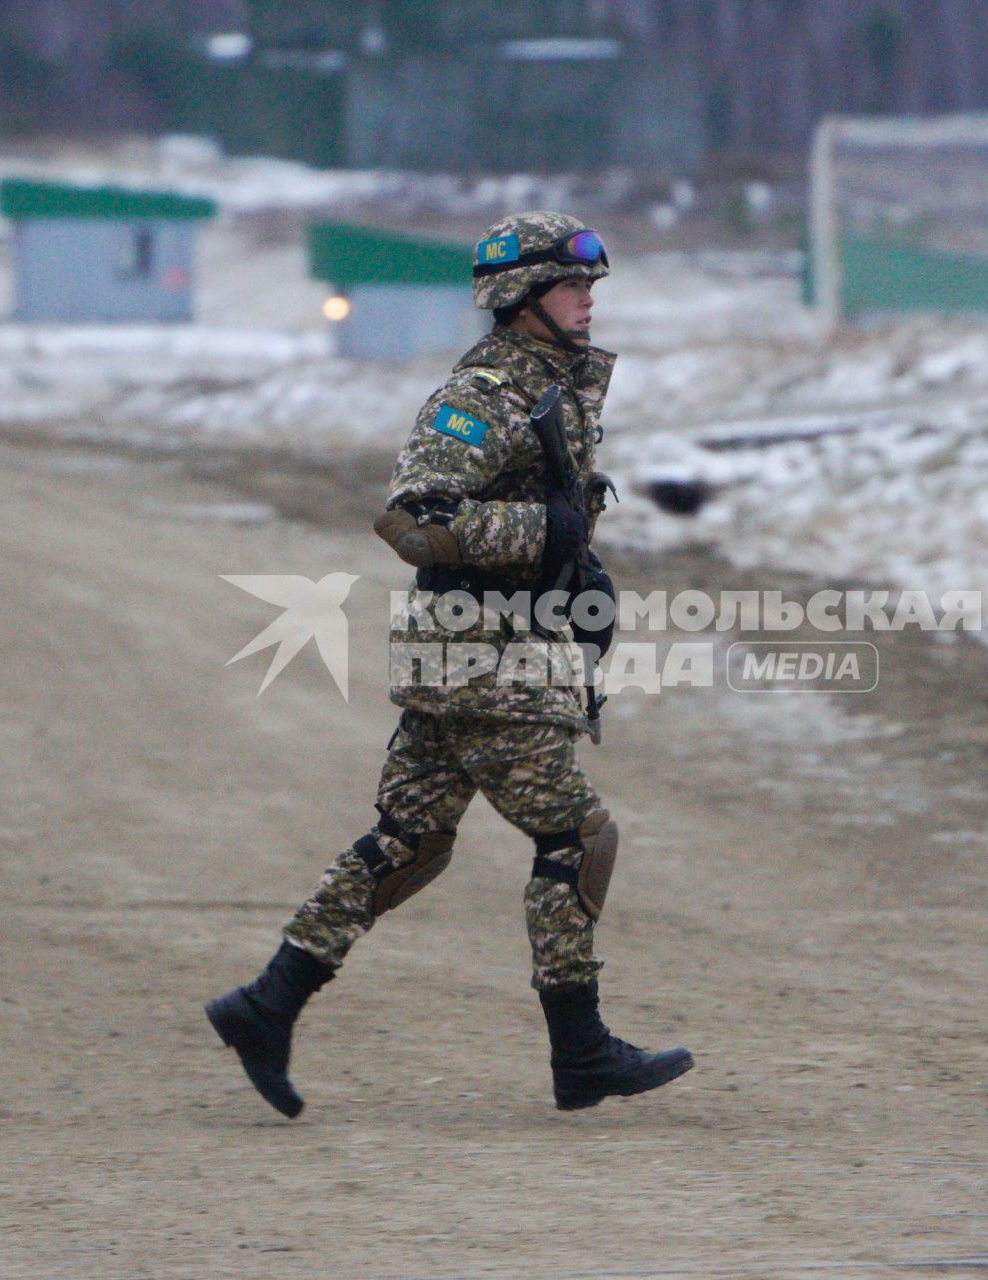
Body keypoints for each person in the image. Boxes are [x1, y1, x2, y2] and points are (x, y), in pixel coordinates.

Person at [206, 211, 693, 1116]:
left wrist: (573, 563)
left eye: (590, 288)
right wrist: (543, 530)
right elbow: (412, 519)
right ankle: (580, 1052)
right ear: (520, 299)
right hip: (484, 665)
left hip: (483, 660)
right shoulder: (480, 398)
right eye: (572, 287)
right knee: (577, 837)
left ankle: (267, 1005)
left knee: (409, 841)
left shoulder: (552, 387)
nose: (589, 302)